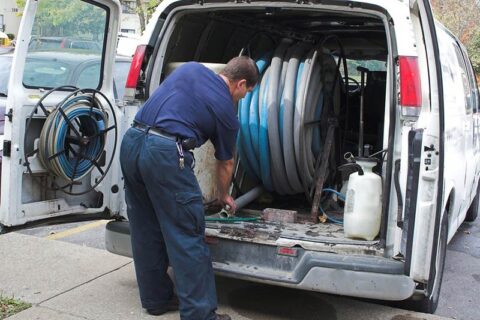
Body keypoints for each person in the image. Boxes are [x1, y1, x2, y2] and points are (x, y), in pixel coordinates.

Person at [119, 56, 259, 320]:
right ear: (240, 83)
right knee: (186, 234)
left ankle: (156, 299)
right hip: (165, 154)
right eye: (245, 93)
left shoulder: (191, 68)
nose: (242, 98)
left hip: (132, 141)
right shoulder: (227, 113)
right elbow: (226, 163)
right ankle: (200, 315)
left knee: (145, 227)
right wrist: (223, 194)